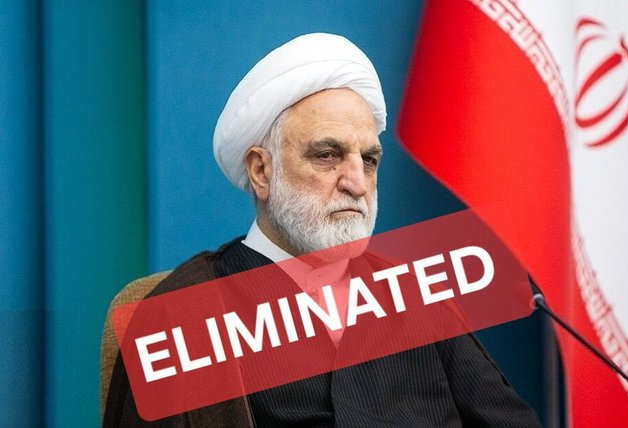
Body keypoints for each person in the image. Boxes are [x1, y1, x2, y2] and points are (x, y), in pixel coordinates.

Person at [103, 33, 541, 427]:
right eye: (328, 155)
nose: (357, 183)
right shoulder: (179, 317)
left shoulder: (420, 298)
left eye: (369, 160)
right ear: (261, 171)